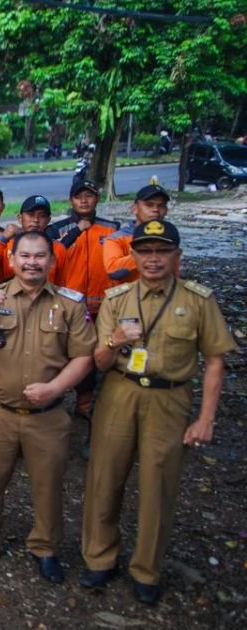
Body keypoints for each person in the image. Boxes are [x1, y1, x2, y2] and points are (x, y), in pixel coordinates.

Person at [80, 220, 237, 605]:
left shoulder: (197, 301)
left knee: (158, 485)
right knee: (105, 478)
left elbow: (215, 361)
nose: (153, 259)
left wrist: (206, 418)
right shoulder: (116, 298)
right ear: (133, 256)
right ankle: (100, 557)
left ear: (176, 256)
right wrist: (115, 340)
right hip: (120, 392)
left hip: (169, 399)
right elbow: (98, 361)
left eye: (162, 251)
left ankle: (146, 569)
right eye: (145, 251)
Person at [0, 231, 95, 583]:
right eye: (25, 256)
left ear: (52, 261)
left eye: (39, 256)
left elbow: (84, 357)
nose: (32, 263)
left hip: (47, 416)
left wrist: (55, 388)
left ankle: (45, 547)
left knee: (48, 485)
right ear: (12, 259)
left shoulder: (70, 304)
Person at [47, 180, 120, 425]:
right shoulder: (58, 229)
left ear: (96, 199)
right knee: (59, 353)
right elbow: (52, 261)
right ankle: (52, 398)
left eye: (89, 196)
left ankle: (86, 403)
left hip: (103, 306)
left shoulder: (112, 229)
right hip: (69, 306)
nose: (84, 201)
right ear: (71, 200)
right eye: (79, 197)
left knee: (97, 354)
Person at [0, 196, 67, 287]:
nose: (36, 220)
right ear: (20, 218)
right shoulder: (6, 245)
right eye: (31, 215)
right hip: (11, 295)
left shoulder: (57, 248)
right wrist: (3, 238)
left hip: (45, 295)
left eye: (42, 216)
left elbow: (60, 286)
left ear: (48, 220)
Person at [103, 185, 170, 285]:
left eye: (161, 205)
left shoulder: (169, 236)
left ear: (166, 210)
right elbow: (114, 271)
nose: (156, 209)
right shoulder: (116, 239)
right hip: (130, 293)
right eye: (149, 205)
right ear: (135, 208)